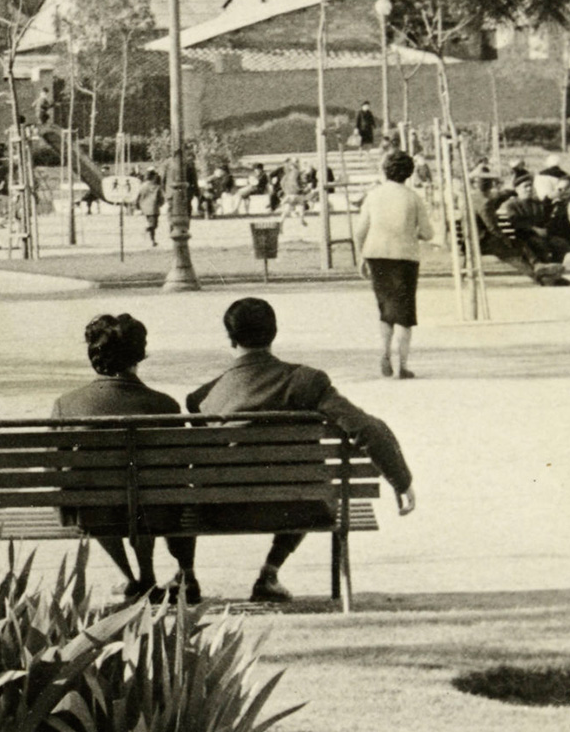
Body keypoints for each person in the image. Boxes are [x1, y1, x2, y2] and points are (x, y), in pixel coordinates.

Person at [176, 298, 416, 603]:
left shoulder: (202, 398)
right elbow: (366, 428)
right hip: (300, 508)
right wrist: (401, 480)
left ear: (231, 338)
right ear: (274, 333)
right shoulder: (306, 382)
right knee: (306, 485)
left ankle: (186, 576)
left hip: (217, 513)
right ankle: (269, 572)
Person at [52, 314, 187, 601]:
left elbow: (55, 469)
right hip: (156, 510)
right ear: (140, 354)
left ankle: (130, 577)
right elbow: (179, 468)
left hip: (93, 512)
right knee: (145, 493)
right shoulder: (165, 405)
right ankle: (147, 574)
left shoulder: (67, 405)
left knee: (87, 494)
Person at [354, 149, 434, 378]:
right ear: (409, 173)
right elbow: (428, 233)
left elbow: (359, 231)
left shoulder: (373, 195)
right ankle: (403, 365)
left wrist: (362, 256)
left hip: (376, 254)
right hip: (404, 257)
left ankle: (384, 353)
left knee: (386, 309)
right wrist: (411, 232)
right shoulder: (413, 198)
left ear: (385, 170)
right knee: (404, 314)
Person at [136, 171, 164, 246]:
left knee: (152, 224)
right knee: (154, 225)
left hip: (145, 207)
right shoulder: (156, 186)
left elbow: (138, 196)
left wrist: (137, 205)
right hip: (153, 207)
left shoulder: (142, 186)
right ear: (153, 177)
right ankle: (146, 231)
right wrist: (161, 203)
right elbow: (160, 197)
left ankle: (153, 240)